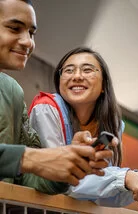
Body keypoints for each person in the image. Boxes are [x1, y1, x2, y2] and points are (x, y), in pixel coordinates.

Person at [0, 0, 112, 194]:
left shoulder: (12, 91)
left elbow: (28, 177)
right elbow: (29, 160)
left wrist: (65, 167)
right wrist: (29, 158)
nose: (28, 41)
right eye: (14, 28)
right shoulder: (46, 106)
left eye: (31, 33)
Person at [29, 47, 138, 206]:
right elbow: (59, 178)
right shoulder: (46, 109)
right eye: (68, 70)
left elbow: (99, 196)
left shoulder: (112, 125)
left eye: (87, 70)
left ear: (103, 85)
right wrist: (125, 177)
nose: (77, 76)